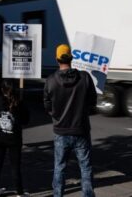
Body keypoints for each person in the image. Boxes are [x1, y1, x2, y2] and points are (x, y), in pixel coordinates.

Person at [44, 44, 97, 197]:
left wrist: (57, 115)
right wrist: (83, 111)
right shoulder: (85, 77)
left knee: (59, 167)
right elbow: (93, 102)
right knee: (85, 168)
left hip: (61, 131)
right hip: (81, 130)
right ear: (72, 58)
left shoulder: (51, 80)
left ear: (57, 59)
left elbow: (47, 106)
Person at [0, 79, 30, 197]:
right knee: (15, 166)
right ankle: (20, 193)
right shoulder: (19, 103)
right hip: (14, 139)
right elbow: (26, 120)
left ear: (2, 90)